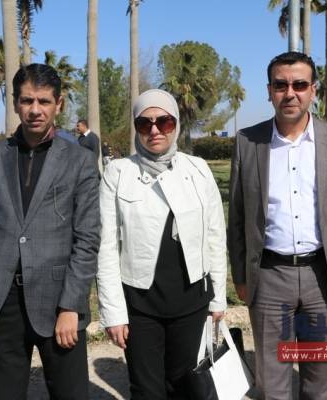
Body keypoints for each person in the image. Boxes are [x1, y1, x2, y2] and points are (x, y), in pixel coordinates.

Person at [228, 51, 327, 400]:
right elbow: (237, 216)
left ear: (313, 90)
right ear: (269, 91)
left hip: (323, 277)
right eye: (281, 85)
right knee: (271, 383)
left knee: (320, 382)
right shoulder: (248, 142)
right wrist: (241, 275)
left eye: (299, 85)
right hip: (269, 277)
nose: (290, 93)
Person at [0, 63, 100, 399]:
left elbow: (87, 237)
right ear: (15, 103)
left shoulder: (79, 161)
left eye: (44, 101)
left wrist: (71, 306)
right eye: (27, 100)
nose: (35, 110)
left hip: (59, 302)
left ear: (59, 104)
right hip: (1, 302)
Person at [96, 88, 227, 399]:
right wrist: (114, 312)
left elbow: (215, 236)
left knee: (190, 386)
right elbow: (106, 247)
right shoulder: (118, 173)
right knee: (147, 390)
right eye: (145, 123)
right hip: (140, 304)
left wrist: (218, 298)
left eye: (164, 122)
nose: (154, 130)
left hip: (192, 301)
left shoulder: (197, 169)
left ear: (176, 124)